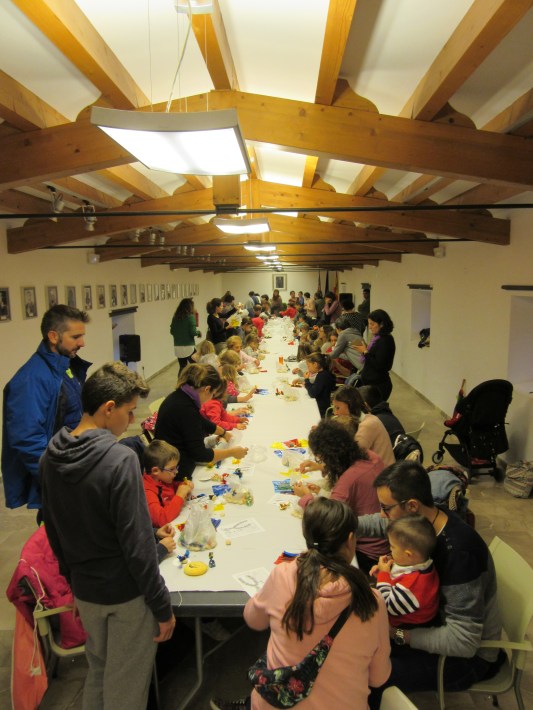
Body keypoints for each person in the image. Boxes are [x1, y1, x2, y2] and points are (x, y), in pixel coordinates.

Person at [40, 362, 175, 709]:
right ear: (109, 408)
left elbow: (54, 532)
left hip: (87, 593)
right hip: (125, 595)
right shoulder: (119, 460)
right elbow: (137, 546)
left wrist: (73, 584)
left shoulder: (50, 457)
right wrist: (161, 606)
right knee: (126, 689)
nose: (131, 421)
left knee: (99, 673)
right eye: (129, 412)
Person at [357, 461, 503, 704]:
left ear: (412, 506)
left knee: (366, 675)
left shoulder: (459, 554)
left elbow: (464, 642)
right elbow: (380, 524)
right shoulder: (426, 519)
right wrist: (342, 522)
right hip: (428, 624)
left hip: (468, 659)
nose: (382, 515)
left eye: (386, 508)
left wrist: (397, 634)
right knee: (359, 644)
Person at [234, 498, 391, 710]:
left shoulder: (283, 575)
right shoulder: (372, 600)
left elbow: (254, 620)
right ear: (350, 540)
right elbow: (378, 678)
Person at [2, 304, 91, 512]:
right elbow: (27, 438)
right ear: (53, 336)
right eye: (76, 337)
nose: (82, 343)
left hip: (75, 469)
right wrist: (58, 478)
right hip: (61, 478)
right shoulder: (31, 380)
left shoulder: (65, 368)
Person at [294, 419, 388, 573]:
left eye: (321, 458)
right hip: (384, 539)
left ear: (329, 456)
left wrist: (306, 498)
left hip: (366, 552)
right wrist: (322, 467)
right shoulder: (370, 456)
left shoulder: (348, 481)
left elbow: (328, 519)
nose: (321, 461)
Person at [154, 364, 248, 480]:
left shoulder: (182, 396)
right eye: (213, 394)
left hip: (172, 456)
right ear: (207, 389)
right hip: (177, 469)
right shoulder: (185, 408)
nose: (212, 397)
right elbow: (200, 454)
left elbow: (200, 421)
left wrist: (223, 432)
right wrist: (232, 452)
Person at [370, 515, 439, 628]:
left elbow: (386, 605)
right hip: (399, 603)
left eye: (392, 547)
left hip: (404, 624)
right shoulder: (421, 561)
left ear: (408, 555)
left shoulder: (412, 586)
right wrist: (384, 572)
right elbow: (403, 572)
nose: (390, 549)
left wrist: (384, 575)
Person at [332, 386, 395, 466]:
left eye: (337, 408)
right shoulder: (364, 419)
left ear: (350, 407)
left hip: (382, 472)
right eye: (334, 408)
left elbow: (351, 459)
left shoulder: (368, 426)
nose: (335, 413)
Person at [142, 439, 194, 527]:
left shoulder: (160, 478)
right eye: (172, 469)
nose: (176, 472)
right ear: (155, 471)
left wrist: (182, 485)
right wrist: (180, 496)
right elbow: (161, 519)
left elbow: (170, 487)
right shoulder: (147, 492)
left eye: (176, 467)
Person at [354, 309, 396, 401]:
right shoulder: (378, 338)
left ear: (382, 324)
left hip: (378, 386)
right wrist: (364, 350)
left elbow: (379, 365)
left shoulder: (385, 340)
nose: (370, 327)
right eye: (369, 324)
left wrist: (365, 352)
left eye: (372, 324)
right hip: (371, 383)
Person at [170, 297, 201, 371]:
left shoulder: (175, 318)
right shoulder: (191, 317)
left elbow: (172, 331)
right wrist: (198, 333)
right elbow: (193, 332)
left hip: (177, 347)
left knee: (182, 368)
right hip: (189, 347)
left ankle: (181, 379)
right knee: (196, 367)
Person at [303, 352, 336, 418]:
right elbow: (316, 387)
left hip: (320, 409)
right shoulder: (325, 373)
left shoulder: (322, 376)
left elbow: (312, 393)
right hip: (323, 405)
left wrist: (307, 380)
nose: (308, 368)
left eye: (309, 366)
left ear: (315, 364)